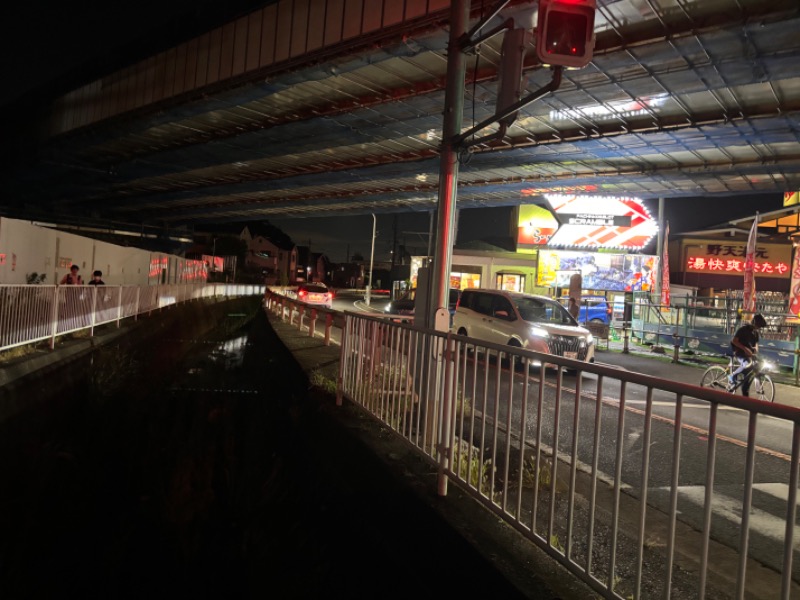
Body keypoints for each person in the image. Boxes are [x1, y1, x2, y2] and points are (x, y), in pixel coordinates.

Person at [729, 313, 767, 396]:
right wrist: (745, 349)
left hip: (749, 354)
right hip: (739, 352)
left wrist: (755, 349)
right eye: (758, 325)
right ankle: (733, 376)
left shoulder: (755, 333)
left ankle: (747, 388)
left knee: (759, 365)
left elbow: (756, 344)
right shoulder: (743, 329)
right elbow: (734, 341)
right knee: (747, 364)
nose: (758, 328)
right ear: (754, 322)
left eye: (760, 326)